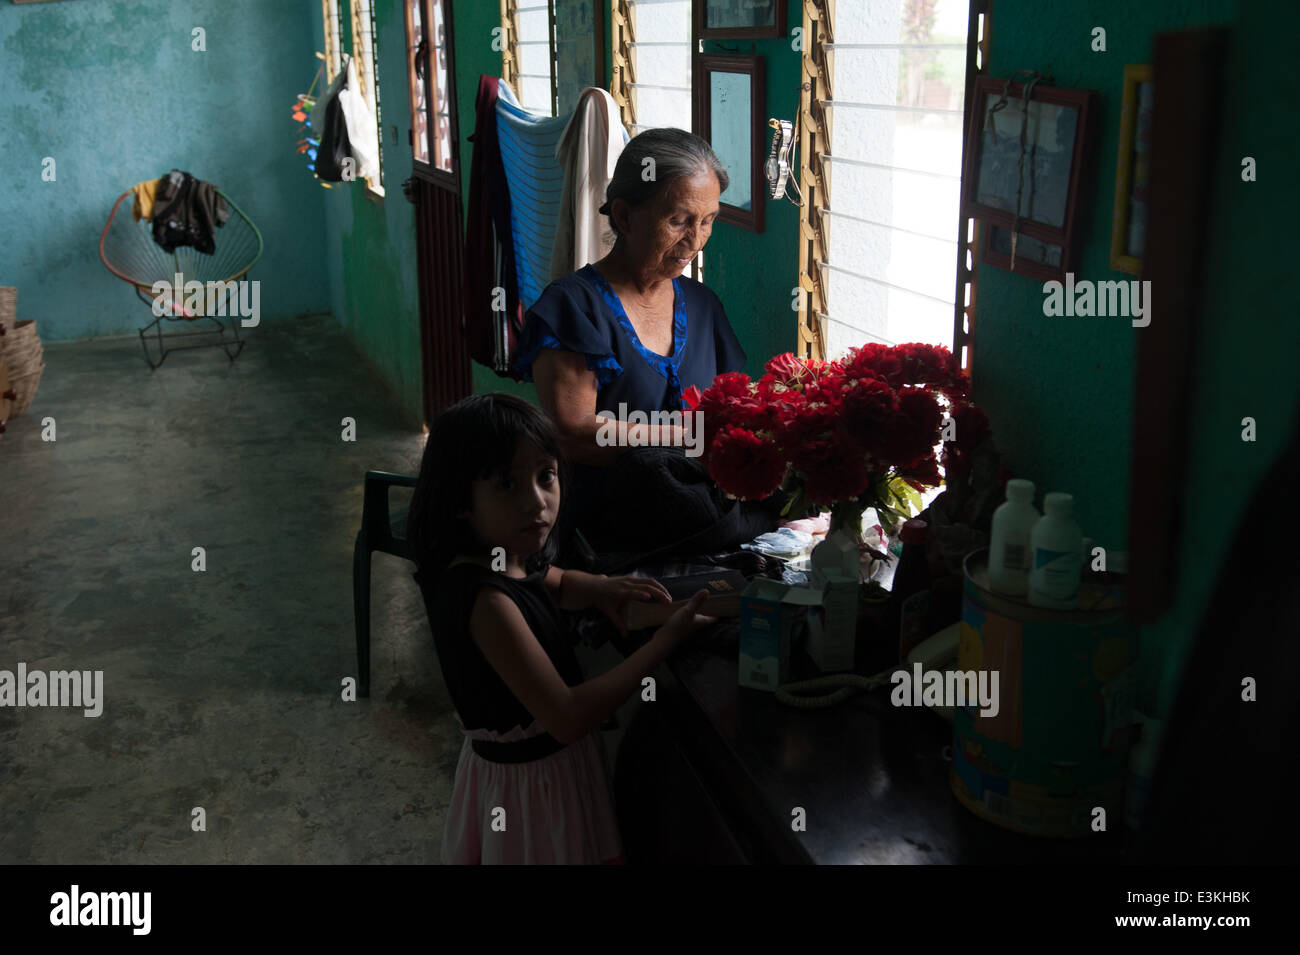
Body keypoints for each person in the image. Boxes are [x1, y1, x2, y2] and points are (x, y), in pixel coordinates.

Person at [406, 393, 715, 864]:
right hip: (531, 792)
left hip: (544, 772)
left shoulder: (505, 557)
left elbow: (552, 582)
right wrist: (666, 641)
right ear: (460, 500)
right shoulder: (486, 602)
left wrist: (601, 587)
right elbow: (567, 716)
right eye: (508, 485)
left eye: (546, 476)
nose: (537, 502)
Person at [511, 128, 749, 544]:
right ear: (623, 216)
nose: (695, 241)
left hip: (697, 520)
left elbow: (732, 408)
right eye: (678, 221)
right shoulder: (572, 308)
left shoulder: (704, 306)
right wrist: (690, 437)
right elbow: (576, 431)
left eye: (707, 221)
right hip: (607, 533)